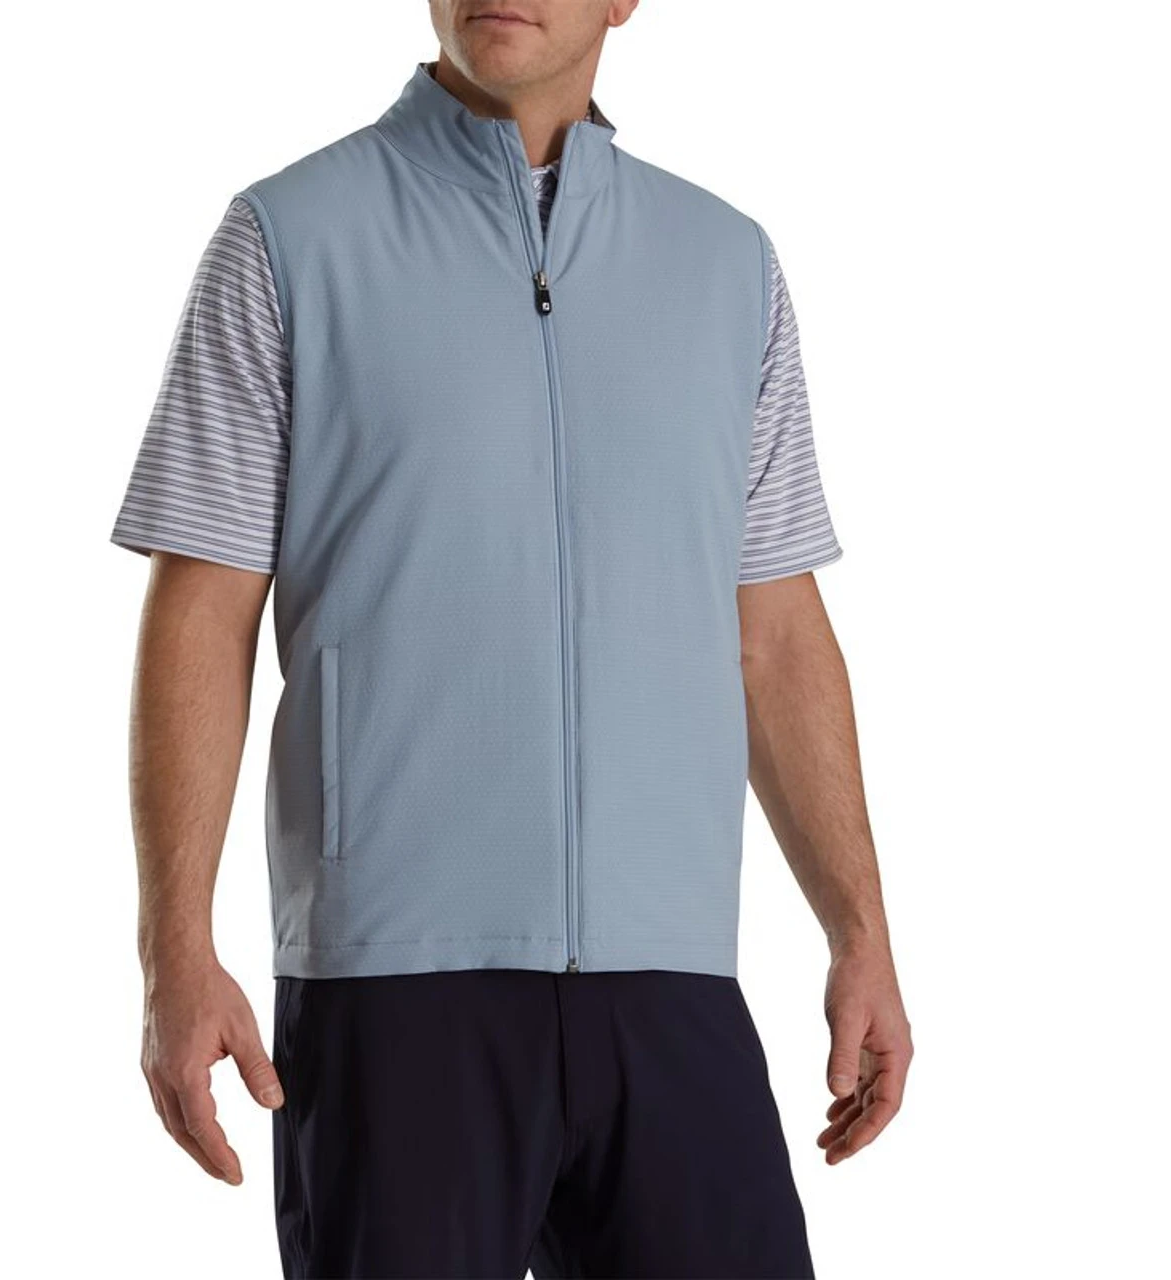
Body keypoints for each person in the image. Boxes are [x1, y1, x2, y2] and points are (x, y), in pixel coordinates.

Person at [110, 2, 913, 1275]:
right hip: (392, 987)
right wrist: (174, 949)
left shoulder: (725, 266)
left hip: (670, 981)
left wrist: (857, 929)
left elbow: (772, 631)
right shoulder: (287, 239)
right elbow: (201, 609)